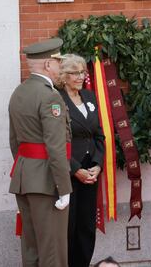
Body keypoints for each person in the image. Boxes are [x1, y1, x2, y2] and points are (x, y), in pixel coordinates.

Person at [8, 38, 72, 267]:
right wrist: (63, 187)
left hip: (25, 177)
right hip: (47, 182)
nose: (59, 67)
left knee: (32, 249)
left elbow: (14, 141)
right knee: (53, 252)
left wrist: (28, 170)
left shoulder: (19, 92)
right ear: (47, 65)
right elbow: (55, 147)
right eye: (58, 62)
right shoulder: (50, 96)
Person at [58, 54, 105, 267]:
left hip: (90, 171)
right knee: (69, 227)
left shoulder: (89, 96)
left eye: (82, 72)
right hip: (69, 172)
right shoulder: (57, 99)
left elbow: (98, 135)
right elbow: (55, 142)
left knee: (87, 226)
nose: (80, 76)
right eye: (74, 73)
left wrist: (97, 164)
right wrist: (76, 169)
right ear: (63, 75)